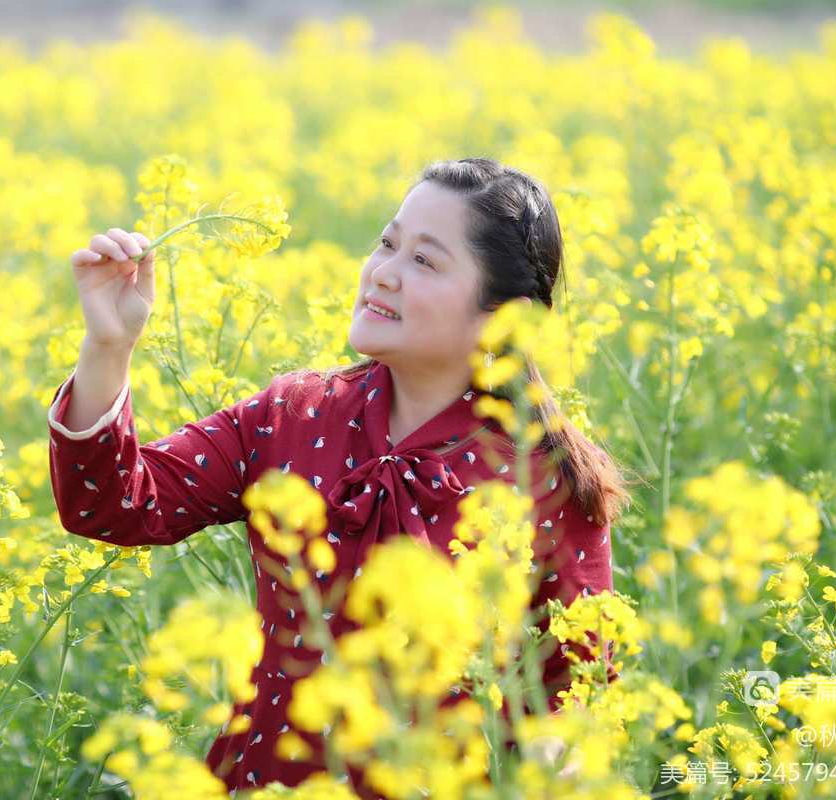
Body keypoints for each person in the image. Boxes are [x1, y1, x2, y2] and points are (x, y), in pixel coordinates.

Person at [47, 157, 631, 796]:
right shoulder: (292, 413)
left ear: (502, 317)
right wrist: (108, 346)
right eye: (387, 243)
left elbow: (578, 700)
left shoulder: (541, 475)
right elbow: (117, 504)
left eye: (425, 261)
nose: (383, 273)